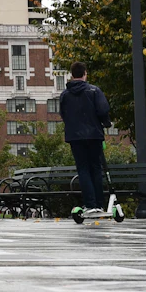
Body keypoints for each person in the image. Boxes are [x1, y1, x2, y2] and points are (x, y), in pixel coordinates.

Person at [59, 61, 112, 216]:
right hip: (94, 135)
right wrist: (105, 122)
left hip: (75, 137)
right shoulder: (94, 90)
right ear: (84, 74)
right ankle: (99, 204)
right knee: (96, 167)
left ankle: (89, 204)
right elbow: (103, 109)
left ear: (71, 75)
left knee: (82, 168)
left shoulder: (65, 95)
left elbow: (63, 114)